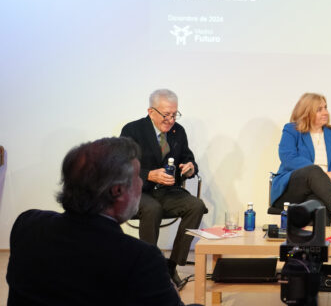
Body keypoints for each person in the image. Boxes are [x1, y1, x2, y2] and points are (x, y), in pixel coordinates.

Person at [6, 137, 186, 306]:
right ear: (117, 191)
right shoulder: (140, 259)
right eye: (138, 176)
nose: (140, 183)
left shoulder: (27, 225)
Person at [120, 89, 207, 289]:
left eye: (174, 114)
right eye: (166, 115)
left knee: (196, 205)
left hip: (167, 191)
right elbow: (121, 165)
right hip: (138, 191)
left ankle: (171, 265)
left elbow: (187, 158)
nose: (170, 120)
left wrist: (190, 167)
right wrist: (149, 174)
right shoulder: (132, 130)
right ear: (151, 112)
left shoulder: (178, 131)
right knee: (152, 209)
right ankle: (149, 267)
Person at [270, 93, 331, 217]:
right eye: (319, 109)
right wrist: (320, 174)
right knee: (313, 171)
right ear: (306, 112)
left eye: (325, 108)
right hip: (293, 190)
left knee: (318, 207)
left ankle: (329, 230)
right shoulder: (292, 130)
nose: (325, 112)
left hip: (324, 194)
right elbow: (288, 158)